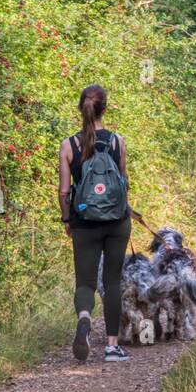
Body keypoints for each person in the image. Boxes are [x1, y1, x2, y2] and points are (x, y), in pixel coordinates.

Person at [58, 84, 132, 363]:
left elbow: (64, 191)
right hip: (117, 221)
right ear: (106, 109)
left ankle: (85, 319)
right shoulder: (117, 141)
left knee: (85, 283)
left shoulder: (69, 145)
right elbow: (124, 183)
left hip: (84, 223)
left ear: (80, 108)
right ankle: (112, 347)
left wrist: (67, 219)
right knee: (113, 282)